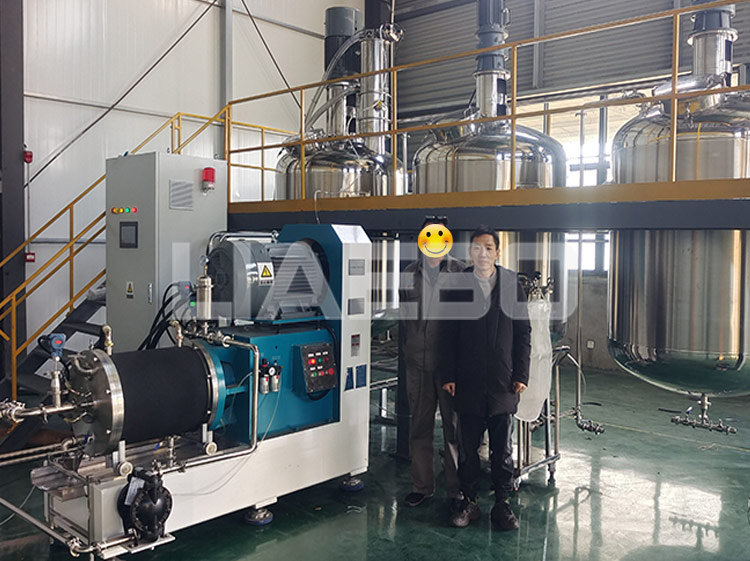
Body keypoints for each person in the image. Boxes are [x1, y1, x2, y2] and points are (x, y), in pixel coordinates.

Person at [442, 225, 531, 531]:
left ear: (497, 252)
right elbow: (448, 333)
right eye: (477, 248)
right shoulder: (458, 286)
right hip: (468, 381)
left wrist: (521, 373)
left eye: (488, 248)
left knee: (502, 450)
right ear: (471, 252)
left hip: (503, 381)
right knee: (468, 449)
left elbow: (523, 332)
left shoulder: (511, 284)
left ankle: (502, 505)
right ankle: (470, 502)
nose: (482, 253)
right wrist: (449, 374)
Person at [399, 216, 465, 509]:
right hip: (417, 363)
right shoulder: (408, 274)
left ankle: (456, 489)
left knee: (454, 429)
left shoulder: (461, 273)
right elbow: (405, 317)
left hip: (449, 366)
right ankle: (422, 486)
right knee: (420, 426)